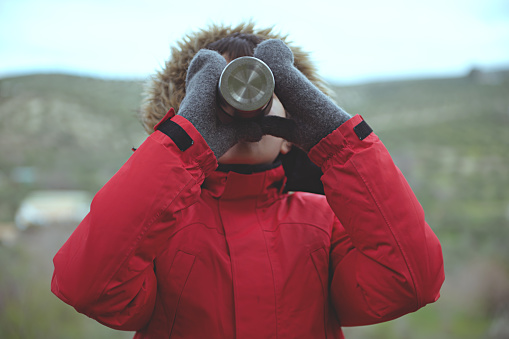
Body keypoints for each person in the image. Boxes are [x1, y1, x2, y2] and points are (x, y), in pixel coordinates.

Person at [51, 22, 445, 339]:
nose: (243, 109)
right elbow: (90, 288)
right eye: (221, 93)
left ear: (292, 132)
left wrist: (335, 137)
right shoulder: (158, 229)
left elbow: (411, 284)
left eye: (263, 89)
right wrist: (183, 146)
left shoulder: (326, 222)